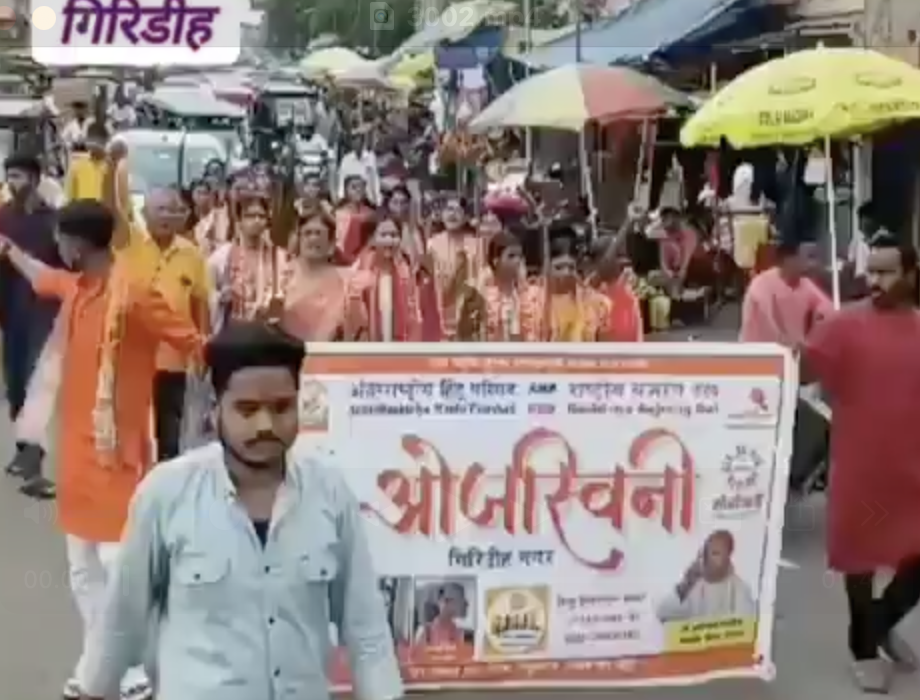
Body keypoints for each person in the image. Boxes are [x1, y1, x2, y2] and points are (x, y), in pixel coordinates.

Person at [78, 320, 404, 700]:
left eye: (281, 407)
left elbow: (366, 632)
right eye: (247, 410)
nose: (265, 425)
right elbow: (121, 622)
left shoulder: (330, 495)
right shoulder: (166, 494)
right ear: (215, 411)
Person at [0, 199, 203, 700]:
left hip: (118, 456)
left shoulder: (132, 294)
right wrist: (9, 252)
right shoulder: (79, 288)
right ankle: (99, 664)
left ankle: (134, 668)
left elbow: (191, 339)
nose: (59, 249)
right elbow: (42, 277)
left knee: (120, 569)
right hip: (74, 455)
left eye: (63, 241)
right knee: (82, 571)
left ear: (80, 244)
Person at [802, 235, 920, 692]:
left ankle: (879, 625)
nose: (875, 281)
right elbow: (803, 371)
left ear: (911, 274)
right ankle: (864, 648)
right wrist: (802, 344)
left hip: (912, 468)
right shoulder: (843, 325)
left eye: (887, 271)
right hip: (860, 467)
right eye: (871, 270)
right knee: (860, 562)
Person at [130, 188, 211, 461]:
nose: (166, 216)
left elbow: (200, 305)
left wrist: (201, 350)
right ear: (144, 214)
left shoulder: (192, 254)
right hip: (133, 360)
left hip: (174, 360)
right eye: (159, 209)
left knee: (170, 432)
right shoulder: (129, 248)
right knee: (135, 428)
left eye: (171, 210)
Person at [0, 152, 63, 498]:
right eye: (10, 175)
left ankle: (35, 464)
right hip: (11, 312)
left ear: (36, 180)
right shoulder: (2, 216)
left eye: (20, 176)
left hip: (44, 313)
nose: (14, 182)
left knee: (35, 383)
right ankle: (24, 451)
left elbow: (68, 263)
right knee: (15, 386)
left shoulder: (52, 220)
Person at [209, 193, 287, 329]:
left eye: (261, 216)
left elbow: (287, 291)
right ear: (239, 220)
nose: (256, 220)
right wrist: (222, 297)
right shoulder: (222, 256)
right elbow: (206, 293)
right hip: (233, 332)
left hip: (269, 332)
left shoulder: (279, 256)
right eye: (250, 216)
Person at [281, 210, 355, 341]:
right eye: (308, 233)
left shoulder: (347, 281)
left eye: (318, 233)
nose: (313, 238)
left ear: (331, 244)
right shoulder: (282, 273)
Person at [740, 239, 831, 345]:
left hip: (791, 353)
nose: (814, 264)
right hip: (759, 353)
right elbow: (770, 320)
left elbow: (828, 309)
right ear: (788, 259)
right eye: (809, 257)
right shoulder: (762, 284)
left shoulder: (805, 284)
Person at [348, 213, 423, 341]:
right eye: (383, 235)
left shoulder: (405, 270)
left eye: (394, 235)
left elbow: (414, 313)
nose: (389, 240)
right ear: (371, 239)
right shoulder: (359, 269)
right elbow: (352, 316)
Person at [656, 530, 756, 622]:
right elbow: (662, 613)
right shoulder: (694, 587)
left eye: (715, 553)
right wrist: (685, 584)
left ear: (728, 557)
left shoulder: (739, 589)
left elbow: (745, 628)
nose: (708, 559)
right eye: (705, 554)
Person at [460, 231, 539, 341]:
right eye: (511, 256)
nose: (518, 261)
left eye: (520, 256)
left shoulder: (531, 295)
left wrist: (522, 288)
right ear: (496, 260)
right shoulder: (481, 293)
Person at [427, 196, 484, 339]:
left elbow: (481, 280)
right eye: (449, 209)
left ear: (465, 217)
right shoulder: (432, 244)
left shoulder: (476, 244)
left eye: (457, 210)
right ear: (441, 214)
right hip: (440, 312)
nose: (452, 214)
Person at [543, 236, 612, 342]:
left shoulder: (592, 302)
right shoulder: (537, 302)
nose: (566, 273)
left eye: (571, 268)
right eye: (559, 267)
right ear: (547, 270)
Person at [589, 235, 644, 342]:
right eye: (614, 255)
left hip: (630, 354)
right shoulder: (591, 287)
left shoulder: (626, 280)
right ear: (596, 261)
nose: (618, 260)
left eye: (618, 255)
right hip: (605, 354)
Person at [334, 175, 374, 264]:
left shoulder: (371, 214)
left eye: (361, 187)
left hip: (365, 259)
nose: (358, 190)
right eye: (354, 187)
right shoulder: (338, 214)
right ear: (346, 191)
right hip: (342, 259)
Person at [338, 131, 380, 204]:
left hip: (367, 196)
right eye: (354, 142)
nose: (357, 145)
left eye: (359, 142)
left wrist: (377, 198)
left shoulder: (371, 157)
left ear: (362, 143)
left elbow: (375, 179)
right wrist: (341, 196)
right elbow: (342, 179)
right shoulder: (346, 159)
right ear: (352, 144)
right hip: (351, 195)